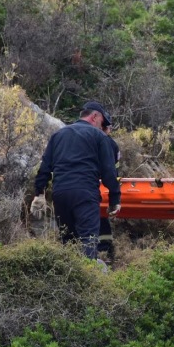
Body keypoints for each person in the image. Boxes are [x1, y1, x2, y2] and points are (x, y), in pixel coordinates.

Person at [31, 101, 121, 259]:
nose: (103, 127)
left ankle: (70, 279)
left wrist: (39, 193)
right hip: (85, 193)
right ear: (94, 117)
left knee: (68, 241)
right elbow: (109, 172)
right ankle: (87, 279)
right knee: (88, 240)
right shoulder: (99, 136)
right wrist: (115, 199)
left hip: (60, 195)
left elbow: (44, 168)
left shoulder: (58, 135)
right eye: (102, 123)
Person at [97, 122, 121, 263]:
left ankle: (103, 250)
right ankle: (105, 250)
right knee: (101, 220)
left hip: (91, 186)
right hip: (105, 187)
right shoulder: (111, 144)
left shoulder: (90, 139)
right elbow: (114, 171)